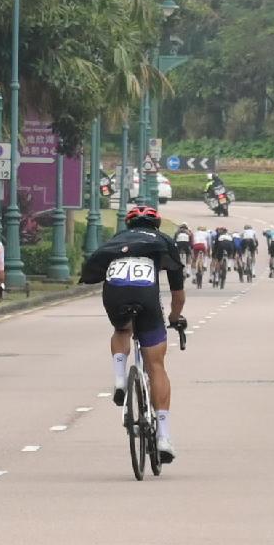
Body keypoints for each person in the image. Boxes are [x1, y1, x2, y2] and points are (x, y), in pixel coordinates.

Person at [82, 199, 192, 471]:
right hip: (147, 296)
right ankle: (164, 436)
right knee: (156, 365)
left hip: (115, 294)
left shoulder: (117, 240)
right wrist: (175, 319)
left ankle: (120, 379)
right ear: (155, 224)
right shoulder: (164, 241)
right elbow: (177, 295)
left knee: (121, 329)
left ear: (128, 224)